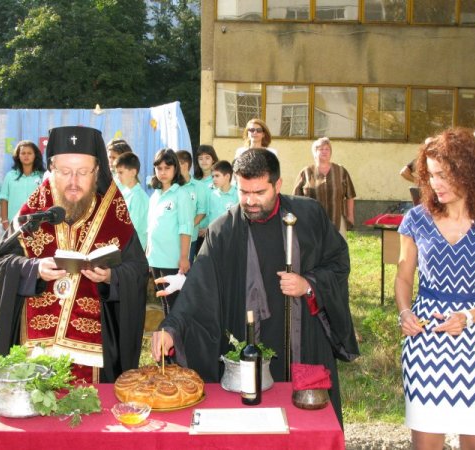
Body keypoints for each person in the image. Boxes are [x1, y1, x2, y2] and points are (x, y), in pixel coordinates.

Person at [151, 149, 359, 426]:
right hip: (247, 341)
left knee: (307, 428)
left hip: (304, 340)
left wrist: (309, 284)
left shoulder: (308, 216)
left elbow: (338, 262)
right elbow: (200, 286)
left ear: (278, 185)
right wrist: (172, 327)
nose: (249, 201)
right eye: (243, 191)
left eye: (259, 192)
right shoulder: (223, 230)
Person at [0, 126, 149, 384]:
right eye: (65, 172)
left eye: (83, 172)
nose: (73, 181)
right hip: (35, 352)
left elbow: (139, 270)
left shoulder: (113, 212)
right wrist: (33, 269)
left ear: (97, 171)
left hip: (96, 351)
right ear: (51, 169)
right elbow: (2, 261)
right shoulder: (35, 208)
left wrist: (112, 276)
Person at [395, 128, 475, 450]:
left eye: (445, 175)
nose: (436, 184)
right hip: (425, 339)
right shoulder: (415, 220)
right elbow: (404, 276)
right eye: (431, 175)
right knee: (425, 444)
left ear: (470, 172)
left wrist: (468, 316)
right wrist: (405, 311)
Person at [146, 148, 193, 314]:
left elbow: (186, 227)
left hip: (172, 259)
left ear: (175, 169)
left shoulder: (181, 194)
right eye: (159, 168)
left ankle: (177, 339)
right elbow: (151, 227)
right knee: (164, 303)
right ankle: (168, 337)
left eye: (167, 168)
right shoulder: (155, 195)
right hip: (155, 258)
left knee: (174, 305)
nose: (163, 172)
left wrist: (183, 257)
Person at [292, 137, 356, 237]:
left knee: (337, 250)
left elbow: (350, 195)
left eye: (327, 149)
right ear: (314, 152)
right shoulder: (306, 172)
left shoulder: (341, 171)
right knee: (315, 250)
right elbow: (295, 198)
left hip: (337, 220)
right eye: (321, 149)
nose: (324, 151)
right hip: (312, 221)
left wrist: (350, 216)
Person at [0, 140, 45, 230]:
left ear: (35, 155)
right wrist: (4, 221)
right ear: (18, 156)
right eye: (23, 153)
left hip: (36, 224)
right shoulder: (10, 176)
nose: (26, 156)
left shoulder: (42, 176)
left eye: (29, 153)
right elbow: (4, 199)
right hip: (14, 224)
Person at [114, 151, 149, 251]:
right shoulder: (125, 192)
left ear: (133, 172)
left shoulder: (138, 197)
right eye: (117, 173)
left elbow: (131, 229)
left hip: (133, 251)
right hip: (124, 248)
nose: (118, 177)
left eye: (121, 172)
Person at [176, 150, 206, 263]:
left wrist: (186, 228)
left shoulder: (199, 186)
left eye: (175, 163)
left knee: (185, 270)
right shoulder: (173, 185)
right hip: (172, 237)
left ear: (185, 165)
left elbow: (202, 211)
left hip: (190, 237)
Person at [193, 145, 219, 253]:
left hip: (213, 231)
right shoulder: (193, 181)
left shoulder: (218, 180)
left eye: (207, 157)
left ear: (213, 160)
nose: (204, 161)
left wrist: (209, 228)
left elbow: (219, 206)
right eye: (200, 158)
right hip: (195, 231)